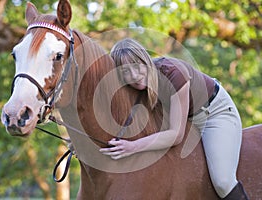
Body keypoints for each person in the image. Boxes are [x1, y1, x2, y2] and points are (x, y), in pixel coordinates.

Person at [99, 38, 248, 199]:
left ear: (146, 61)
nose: (134, 76)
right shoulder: (132, 86)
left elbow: (176, 135)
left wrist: (133, 146)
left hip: (214, 113)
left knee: (223, 182)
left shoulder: (173, 73)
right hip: (185, 119)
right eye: (125, 72)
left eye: (136, 67)